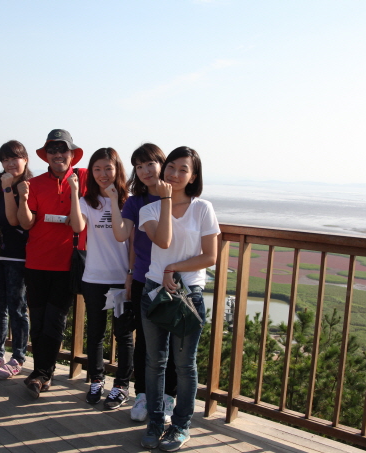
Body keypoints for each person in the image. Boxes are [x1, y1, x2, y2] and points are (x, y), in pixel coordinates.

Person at [138, 147, 219, 451]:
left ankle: (181, 425)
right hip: (154, 292)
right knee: (155, 362)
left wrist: (174, 267)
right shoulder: (150, 209)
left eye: (183, 169)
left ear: (193, 176)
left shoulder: (203, 209)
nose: (174, 174)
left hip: (188, 294)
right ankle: (155, 422)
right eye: (170, 167)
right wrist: (166, 200)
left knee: (185, 365)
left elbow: (210, 256)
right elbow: (164, 240)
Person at [110, 144, 178, 422]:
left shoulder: (176, 196)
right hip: (142, 278)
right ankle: (142, 394)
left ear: (162, 163)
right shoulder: (135, 201)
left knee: (172, 342)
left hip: (172, 280)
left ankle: (168, 397)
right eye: (139, 166)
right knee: (144, 343)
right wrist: (114, 201)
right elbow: (122, 235)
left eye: (150, 163)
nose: (145, 170)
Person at [17, 129, 87, 398]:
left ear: (72, 154)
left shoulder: (84, 178)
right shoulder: (33, 184)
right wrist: (23, 199)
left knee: (55, 321)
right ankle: (41, 373)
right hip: (36, 261)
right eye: (52, 150)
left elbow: (109, 187)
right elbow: (26, 223)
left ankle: (42, 374)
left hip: (67, 264)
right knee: (37, 320)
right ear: (46, 155)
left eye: (63, 149)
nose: (58, 154)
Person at [68, 147, 133, 409]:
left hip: (121, 278)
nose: (103, 174)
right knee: (95, 333)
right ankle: (96, 379)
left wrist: (130, 274)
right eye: (97, 169)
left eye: (108, 168)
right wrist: (75, 192)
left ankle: (121, 385)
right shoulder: (88, 201)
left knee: (123, 335)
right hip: (94, 276)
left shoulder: (129, 201)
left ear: (117, 169)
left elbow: (132, 243)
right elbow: (77, 226)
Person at [0, 140, 32, 379]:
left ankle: (18, 357)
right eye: (6, 160)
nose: (10, 164)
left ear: (25, 160)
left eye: (15, 158)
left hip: (18, 254)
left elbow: (15, 221)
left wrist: (9, 188)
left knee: (17, 306)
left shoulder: (28, 185)